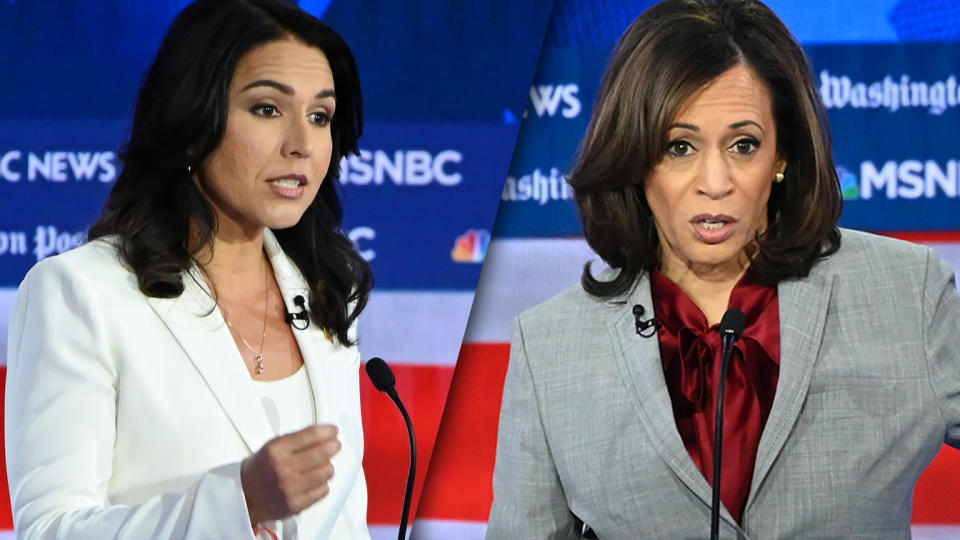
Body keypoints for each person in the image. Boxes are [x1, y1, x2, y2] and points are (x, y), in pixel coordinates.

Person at [487, 0, 960, 538]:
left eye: (743, 145)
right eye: (679, 147)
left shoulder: (905, 294)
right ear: (635, 157)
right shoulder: (551, 345)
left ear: (781, 155)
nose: (715, 181)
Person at [4, 1, 374, 538]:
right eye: (268, 109)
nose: (301, 144)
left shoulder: (325, 298)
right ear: (192, 120)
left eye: (320, 117)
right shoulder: (80, 293)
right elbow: (50, 528)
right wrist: (236, 503)